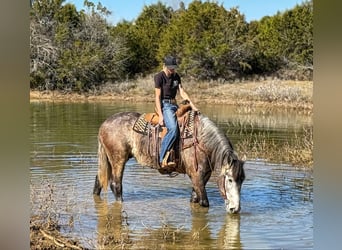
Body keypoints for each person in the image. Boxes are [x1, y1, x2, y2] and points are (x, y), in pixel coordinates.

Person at [154, 55, 198, 168]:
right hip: (165, 105)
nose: (172, 70)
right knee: (173, 128)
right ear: (164, 66)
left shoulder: (176, 76)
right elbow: (157, 97)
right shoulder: (159, 77)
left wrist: (192, 105)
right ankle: (161, 158)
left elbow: (182, 92)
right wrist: (161, 116)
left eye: (174, 67)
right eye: (170, 68)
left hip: (174, 104)